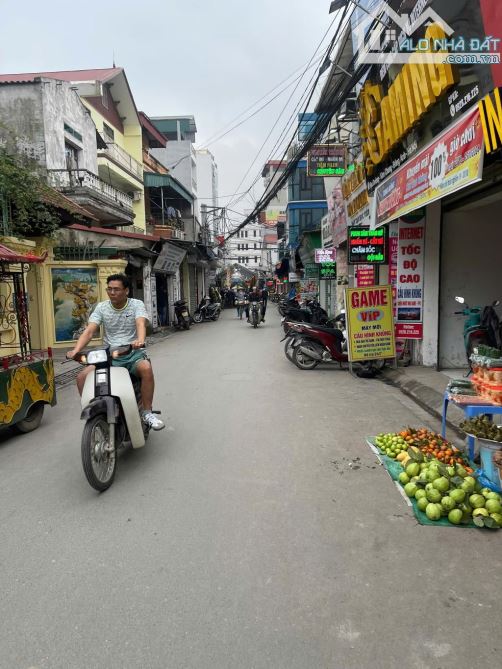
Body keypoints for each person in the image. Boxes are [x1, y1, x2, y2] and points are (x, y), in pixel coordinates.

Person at [66, 273, 165, 431]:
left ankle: (147, 413)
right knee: (81, 377)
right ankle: (95, 414)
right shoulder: (102, 307)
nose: (112, 292)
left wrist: (139, 340)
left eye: (116, 289)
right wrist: (75, 350)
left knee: (146, 368)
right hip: (109, 355)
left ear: (126, 291)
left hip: (132, 353)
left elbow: (140, 323)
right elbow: (90, 331)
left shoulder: (136, 304)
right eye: (109, 289)